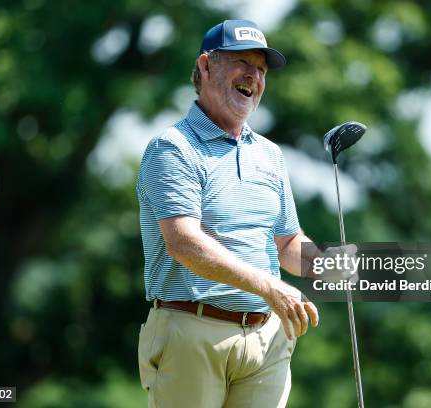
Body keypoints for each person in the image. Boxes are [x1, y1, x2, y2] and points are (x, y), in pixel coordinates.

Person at [136, 19, 319, 408]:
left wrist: (327, 266)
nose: (253, 76)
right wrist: (269, 287)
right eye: (243, 63)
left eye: (262, 70)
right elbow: (184, 243)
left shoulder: (270, 154)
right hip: (191, 330)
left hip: (266, 338)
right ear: (205, 66)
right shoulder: (173, 148)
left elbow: (287, 241)